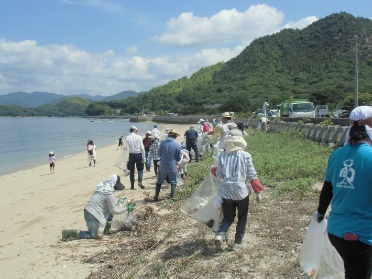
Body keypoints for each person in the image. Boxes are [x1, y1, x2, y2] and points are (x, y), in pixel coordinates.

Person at [315, 106, 372, 279]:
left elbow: (328, 189)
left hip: (336, 230)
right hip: (361, 234)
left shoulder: (337, 154)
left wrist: (320, 213)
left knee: (354, 270)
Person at [211, 133, 262, 251]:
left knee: (228, 218)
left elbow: (218, 174)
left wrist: (214, 170)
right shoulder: (245, 155)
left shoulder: (222, 156)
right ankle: (237, 242)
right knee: (242, 217)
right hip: (241, 192)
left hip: (226, 193)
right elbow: (252, 175)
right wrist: (257, 192)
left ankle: (220, 234)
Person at [61, 174, 133, 241]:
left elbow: (107, 204)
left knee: (96, 233)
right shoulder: (109, 194)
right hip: (92, 214)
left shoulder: (102, 188)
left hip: (89, 211)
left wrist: (118, 202)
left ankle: (105, 229)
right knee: (93, 235)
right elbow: (113, 211)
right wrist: (126, 208)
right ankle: (69, 233)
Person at [154, 129, 181, 201]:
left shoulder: (162, 143)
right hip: (172, 164)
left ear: (168, 135)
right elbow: (178, 158)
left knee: (159, 180)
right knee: (173, 181)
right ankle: (173, 196)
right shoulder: (177, 144)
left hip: (163, 164)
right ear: (175, 137)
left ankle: (156, 196)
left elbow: (158, 154)